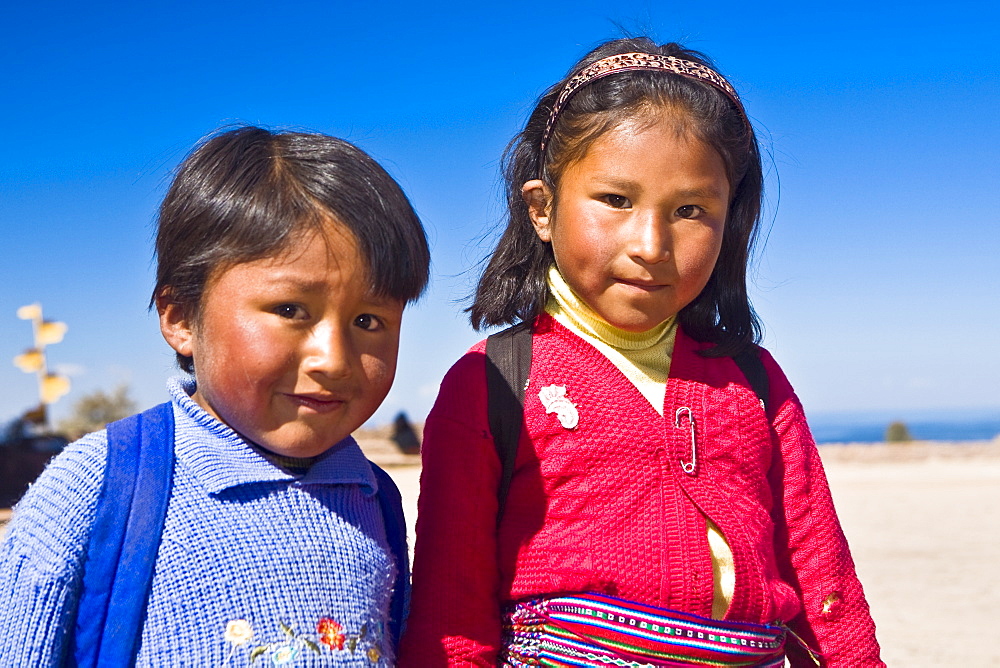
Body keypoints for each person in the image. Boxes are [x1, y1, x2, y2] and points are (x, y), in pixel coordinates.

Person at [399, 38, 883, 666]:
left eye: (689, 210)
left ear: (729, 218)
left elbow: (825, 580)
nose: (651, 244)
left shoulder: (753, 380)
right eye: (616, 201)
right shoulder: (491, 384)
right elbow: (451, 612)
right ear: (543, 209)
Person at [0, 126, 430, 666]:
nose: (334, 359)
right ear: (181, 317)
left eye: (368, 320)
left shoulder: (373, 497)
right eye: (291, 310)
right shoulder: (101, 484)